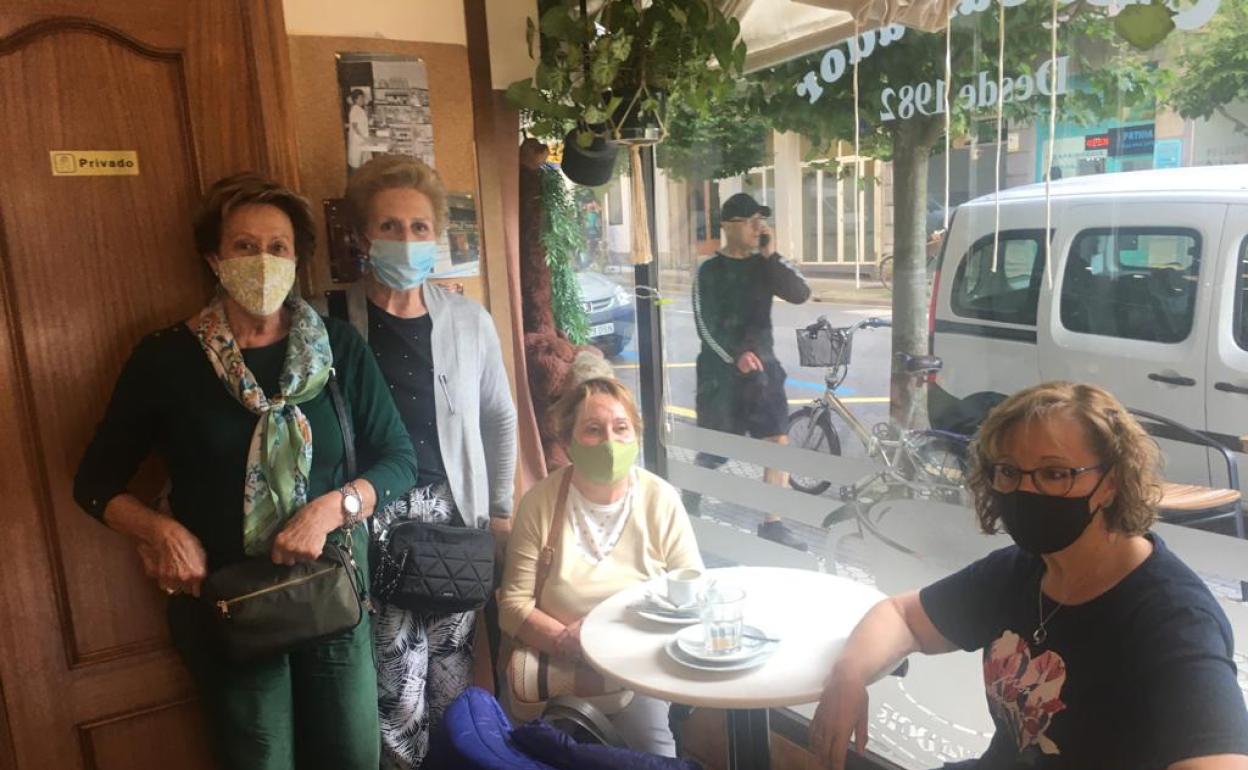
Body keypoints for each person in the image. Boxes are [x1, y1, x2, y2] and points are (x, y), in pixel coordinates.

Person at [73, 173, 419, 770]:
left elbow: (399, 460)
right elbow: (96, 485)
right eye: (244, 246)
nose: (263, 261)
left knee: (352, 758)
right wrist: (158, 532)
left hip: (332, 592)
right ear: (213, 257)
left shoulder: (337, 348)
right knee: (258, 760)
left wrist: (332, 508)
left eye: (278, 247)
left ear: (296, 259)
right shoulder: (166, 359)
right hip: (229, 602)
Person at [811, 381, 1248, 770]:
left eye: (1055, 473)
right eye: (1009, 472)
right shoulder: (1023, 570)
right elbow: (902, 616)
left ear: (1111, 482)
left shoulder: (1171, 621)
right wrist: (849, 676)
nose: (1026, 491)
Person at [337, 154, 517, 770]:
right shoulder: (332, 323)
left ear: (436, 236)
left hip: (455, 524)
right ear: (363, 237)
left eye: (419, 228)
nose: (407, 240)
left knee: (453, 675)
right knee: (393, 684)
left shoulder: (469, 321)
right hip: (375, 524)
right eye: (390, 226)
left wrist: (500, 511)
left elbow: (499, 416)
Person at [498, 377, 703, 756]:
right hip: (552, 666)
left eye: (621, 428)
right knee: (529, 757)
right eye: (593, 430)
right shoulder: (540, 503)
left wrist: (601, 636)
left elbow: (691, 594)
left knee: (653, 758)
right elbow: (512, 605)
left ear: (636, 435)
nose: (610, 441)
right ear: (568, 442)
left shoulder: (661, 500)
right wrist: (568, 642)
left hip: (638, 669)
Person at [686, 192, 812, 550]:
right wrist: (734, 357)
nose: (760, 226)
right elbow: (704, 325)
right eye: (751, 220)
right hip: (720, 374)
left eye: (762, 220)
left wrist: (772, 256)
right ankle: (691, 501)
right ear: (728, 227)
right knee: (715, 449)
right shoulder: (709, 271)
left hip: (764, 370)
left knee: (778, 441)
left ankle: (773, 523)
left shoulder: (764, 265)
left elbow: (801, 292)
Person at [346, 89, 371, 173]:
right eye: (360, 98)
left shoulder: (359, 109)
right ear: (355, 99)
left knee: (361, 164)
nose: (362, 100)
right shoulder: (355, 110)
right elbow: (355, 126)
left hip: (360, 140)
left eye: (363, 98)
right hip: (357, 141)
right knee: (356, 165)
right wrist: (363, 137)